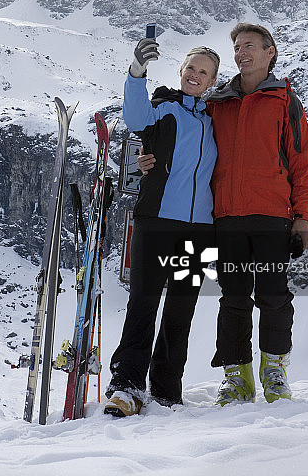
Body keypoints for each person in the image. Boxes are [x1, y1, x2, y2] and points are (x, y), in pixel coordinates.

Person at [138, 23, 308, 406]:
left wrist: (303, 215)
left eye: (249, 45)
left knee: (273, 295)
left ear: (270, 52)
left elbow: (303, 163)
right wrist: (148, 155)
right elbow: (182, 135)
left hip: (272, 217)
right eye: (236, 47)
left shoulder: (285, 101)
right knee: (233, 297)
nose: (241, 52)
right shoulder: (218, 103)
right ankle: (237, 378)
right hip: (226, 219)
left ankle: (274, 373)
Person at [104, 38, 220, 417]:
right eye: (191, 68)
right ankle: (127, 386)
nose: (195, 75)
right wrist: (137, 72)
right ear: (181, 71)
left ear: (212, 81)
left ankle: (167, 390)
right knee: (143, 303)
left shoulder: (215, 121)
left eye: (203, 72)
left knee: (181, 310)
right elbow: (135, 118)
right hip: (156, 221)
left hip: (199, 230)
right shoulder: (164, 108)